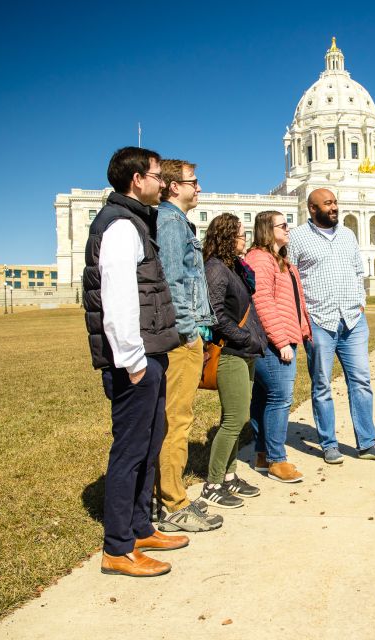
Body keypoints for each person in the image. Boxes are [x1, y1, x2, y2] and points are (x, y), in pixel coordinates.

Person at [83, 146, 188, 577]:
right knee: (129, 451)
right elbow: (117, 295)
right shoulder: (121, 226)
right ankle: (118, 547)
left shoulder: (136, 222)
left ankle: (141, 527)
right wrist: (131, 358)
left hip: (150, 351)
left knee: (149, 442)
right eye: (157, 176)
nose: (163, 183)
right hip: (136, 358)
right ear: (136, 180)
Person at [287, 188, 375, 464]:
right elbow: (290, 277)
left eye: (335, 202)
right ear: (312, 208)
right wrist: (303, 315)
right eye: (328, 203)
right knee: (321, 384)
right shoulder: (297, 237)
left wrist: (361, 302)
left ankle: (367, 443)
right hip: (319, 320)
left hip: (353, 319)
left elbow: (359, 270)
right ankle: (329, 444)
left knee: (361, 381)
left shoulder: (348, 234)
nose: (334, 207)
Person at [153, 159, 223, 532]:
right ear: (172, 186)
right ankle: (173, 503)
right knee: (176, 420)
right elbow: (171, 279)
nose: (198, 188)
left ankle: (166, 496)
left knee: (176, 417)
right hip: (181, 337)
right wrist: (189, 330)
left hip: (187, 332)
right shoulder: (169, 222)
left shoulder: (178, 223)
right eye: (193, 182)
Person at [199, 213, 268, 508]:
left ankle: (229, 476)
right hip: (229, 352)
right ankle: (213, 483)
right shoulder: (215, 268)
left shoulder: (235, 268)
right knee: (234, 420)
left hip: (244, 351)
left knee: (237, 420)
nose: (245, 240)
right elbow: (215, 314)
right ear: (227, 237)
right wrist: (244, 338)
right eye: (241, 235)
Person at [246, 211, 312, 483]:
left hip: (283, 337)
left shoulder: (280, 260)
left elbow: (295, 300)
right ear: (267, 229)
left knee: (264, 397)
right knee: (280, 398)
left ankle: (262, 454)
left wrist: (304, 329)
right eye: (283, 225)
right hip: (272, 342)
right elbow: (262, 303)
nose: (288, 229)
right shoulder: (260, 259)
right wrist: (282, 341)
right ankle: (276, 459)